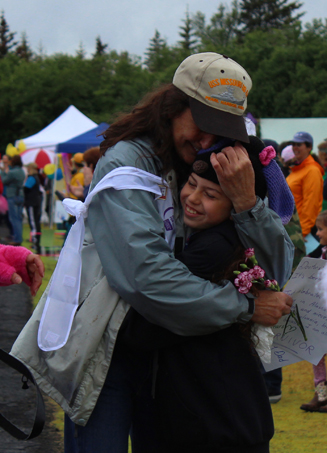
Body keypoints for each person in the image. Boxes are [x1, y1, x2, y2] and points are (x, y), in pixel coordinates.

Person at [11, 53, 294, 453]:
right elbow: (146, 277)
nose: (208, 140)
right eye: (203, 124)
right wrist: (244, 307)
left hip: (172, 359)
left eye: (220, 130)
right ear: (173, 107)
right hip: (108, 355)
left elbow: (275, 270)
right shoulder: (127, 161)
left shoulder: (211, 162)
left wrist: (248, 202)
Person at [116, 135, 294, 453]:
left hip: (206, 422)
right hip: (234, 415)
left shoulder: (212, 248)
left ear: (235, 204)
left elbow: (142, 330)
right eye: (192, 184)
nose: (193, 198)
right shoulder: (230, 243)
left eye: (210, 193)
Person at [300, 209, 327, 412]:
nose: (317, 233)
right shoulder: (320, 251)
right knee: (316, 353)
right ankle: (321, 394)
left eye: (321, 229)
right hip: (319, 312)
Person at [286, 132, 324, 253]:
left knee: (304, 270)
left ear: (309, 147)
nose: (295, 147)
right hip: (292, 229)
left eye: (299, 144)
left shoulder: (312, 171)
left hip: (303, 233)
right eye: (293, 144)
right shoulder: (297, 169)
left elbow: (311, 204)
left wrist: (302, 232)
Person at [0, 154, 25, 245]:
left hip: (12, 196)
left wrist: (3, 172)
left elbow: (4, 181)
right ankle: (18, 236)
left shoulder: (12, 172)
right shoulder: (21, 171)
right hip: (20, 196)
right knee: (18, 218)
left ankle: (17, 238)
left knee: (14, 218)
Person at [24, 163, 43, 254]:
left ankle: (35, 240)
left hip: (31, 202)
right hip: (36, 202)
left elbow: (26, 188)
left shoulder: (31, 178)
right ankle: (35, 239)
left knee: (33, 221)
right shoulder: (37, 177)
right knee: (36, 221)